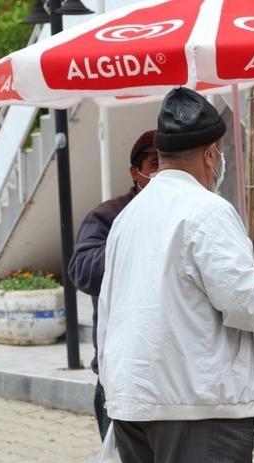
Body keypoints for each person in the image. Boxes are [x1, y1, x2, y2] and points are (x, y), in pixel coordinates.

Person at [97, 87, 254, 463]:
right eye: (218, 154)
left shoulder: (129, 216)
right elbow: (247, 305)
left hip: (132, 398)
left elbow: (110, 306)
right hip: (196, 405)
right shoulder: (208, 210)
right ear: (210, 155)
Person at [68, 129, 158, 440]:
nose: (162, 174)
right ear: (136, 172)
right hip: (121, 376)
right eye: (154, 164)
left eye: (169, 165)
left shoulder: (194, 212)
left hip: (176, 376)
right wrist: (135, 238)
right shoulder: (108, 216)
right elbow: (83, 272)